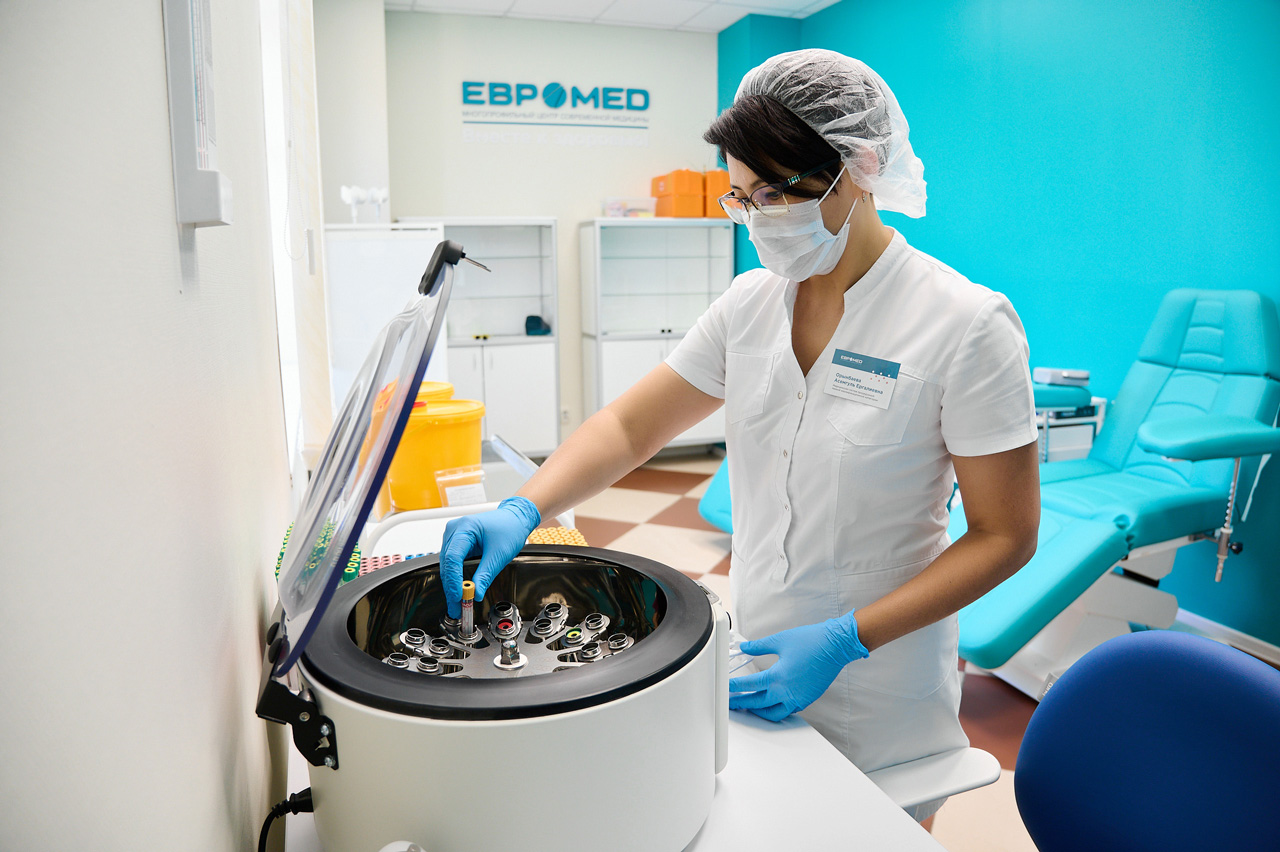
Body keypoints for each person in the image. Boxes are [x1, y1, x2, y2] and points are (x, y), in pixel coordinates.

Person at [438, 49, 1041, 821]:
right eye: (742, 197)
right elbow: (629, 427)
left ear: (859, 169)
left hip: (882, 688)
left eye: (777, 192)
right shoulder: (750, 305)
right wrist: (525, 508)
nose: (760, 218)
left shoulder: (964, 324)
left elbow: (1005, 534)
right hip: (758, 661)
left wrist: (849, 637)